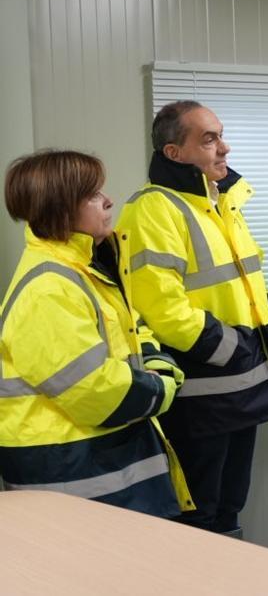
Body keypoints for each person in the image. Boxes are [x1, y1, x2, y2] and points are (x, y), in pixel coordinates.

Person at [117, 101, 268, 537]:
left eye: (221, 135)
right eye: (209, 139)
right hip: (201, 394)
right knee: (199, 517)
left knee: (231, 507)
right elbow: (161, 308)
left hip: (240, 385)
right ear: (174, 153)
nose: (225, 147)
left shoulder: (220, 202)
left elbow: (247, 279)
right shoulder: (153, 209)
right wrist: (234, 349)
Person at [0, 150, 191, 516]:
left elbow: (133, 330)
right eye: (92, 194)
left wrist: (158, 363)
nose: (108, 201)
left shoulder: (84, 269)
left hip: (103, 467)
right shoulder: (49, 287)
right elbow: (92, 389)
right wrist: (161, 388)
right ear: (60, 208)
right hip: (75, 475)